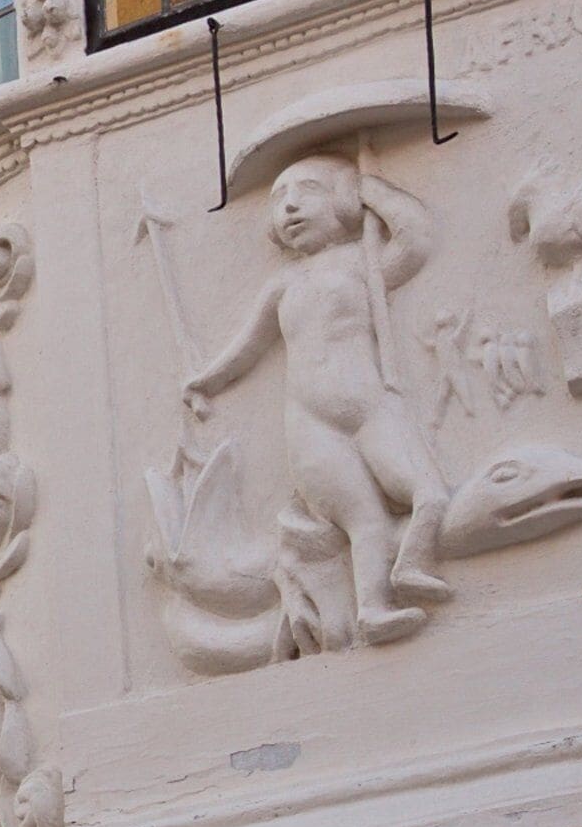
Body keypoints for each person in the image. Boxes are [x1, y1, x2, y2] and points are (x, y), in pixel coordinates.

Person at [184, 151, 454, 642]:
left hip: (370, 406)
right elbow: (248, 346)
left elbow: (416, 239)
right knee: (364, 520)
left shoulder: (363, 263)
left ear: (344, 202)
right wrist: (206, 381)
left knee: (428, 493)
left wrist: (375, 192)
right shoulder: (283, 285)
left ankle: (412, 565)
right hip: (310, 421)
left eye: (306, 191)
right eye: (278, 199)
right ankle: (373, 609)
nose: (288, 207)